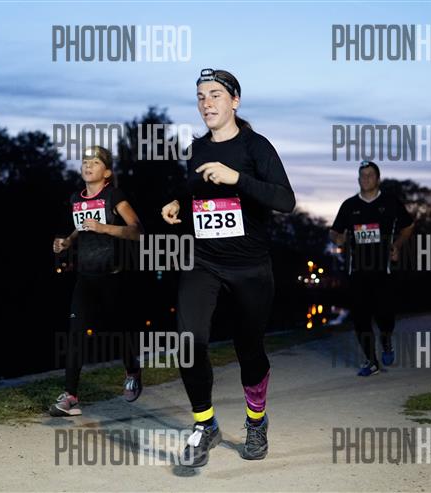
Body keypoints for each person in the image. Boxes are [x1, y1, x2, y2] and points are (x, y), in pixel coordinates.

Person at [161, 68, 295, 467]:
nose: (207, 103)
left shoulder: (256, 147)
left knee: (249, 350)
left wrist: (236, 177)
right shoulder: (197, 149)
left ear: (234, 101)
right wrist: (177, 203)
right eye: (200, 96)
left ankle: (256, 421)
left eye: (215, 95)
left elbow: (285, 200)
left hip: (250, 267)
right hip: (204, 262)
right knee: (189, 341)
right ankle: (205, 425)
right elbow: (193, 189)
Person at [50, 146, 143, 416]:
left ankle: (133, 371)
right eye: (85, 161)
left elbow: (137, 231)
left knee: (119, 332)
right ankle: (70, 396)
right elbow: (81, 227)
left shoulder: (114, 195)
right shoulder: (75, 199)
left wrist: (104, 228)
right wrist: (67, 242)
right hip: (85, 279)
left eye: (95, 162)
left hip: (112, 278)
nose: (88, 165)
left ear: (107, 172)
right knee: (75, 334)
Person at [329, 160, 414, 377]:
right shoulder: (349, 205)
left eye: (370, 175)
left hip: (384, 272)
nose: (366, 179)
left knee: (385, 316)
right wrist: (338, 239)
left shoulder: (390, 202)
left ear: (378, 179)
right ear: (358, 179)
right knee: (360, 318)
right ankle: (371, 361)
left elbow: (408, 225)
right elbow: (334, 231)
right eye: (362, 175)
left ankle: (386, 341)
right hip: (357, 272)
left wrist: (397, 246)